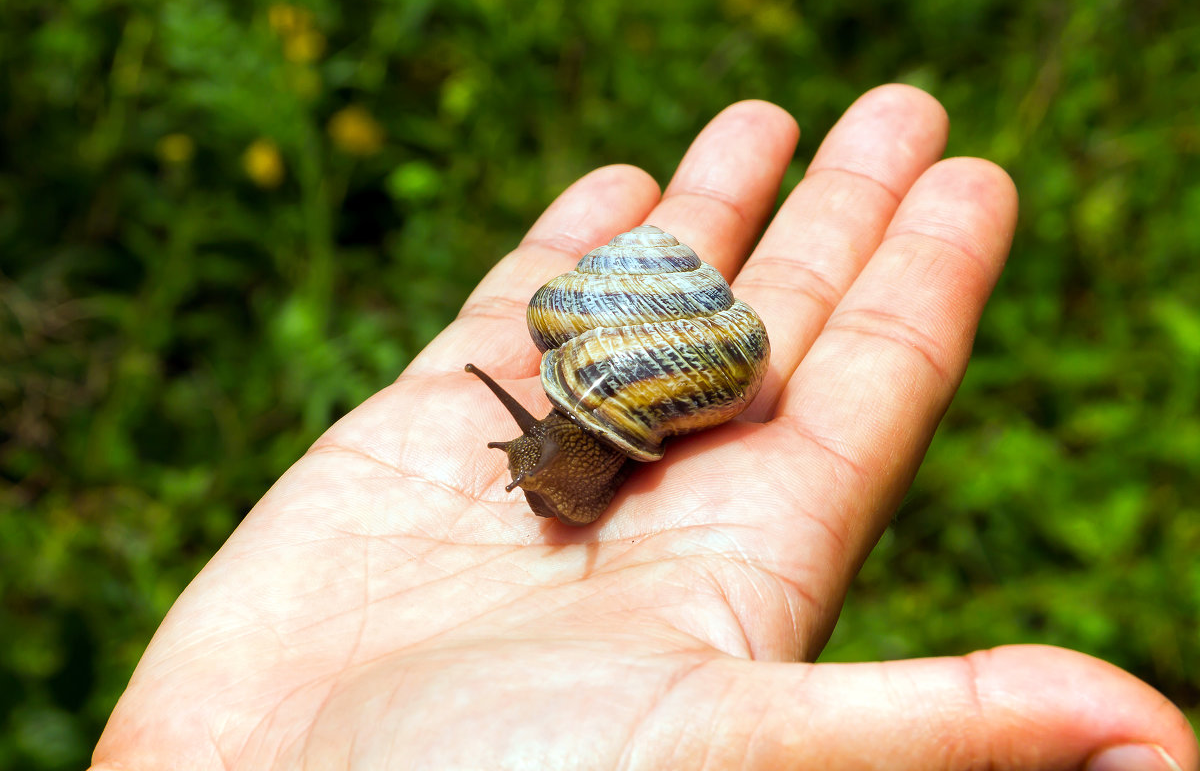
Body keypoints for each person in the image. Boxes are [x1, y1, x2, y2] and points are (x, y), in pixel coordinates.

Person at [90, 85, 1197, 770]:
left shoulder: (609, 358)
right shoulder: (586, 374)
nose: (538, 466)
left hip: (648, 335)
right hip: (637, 339)